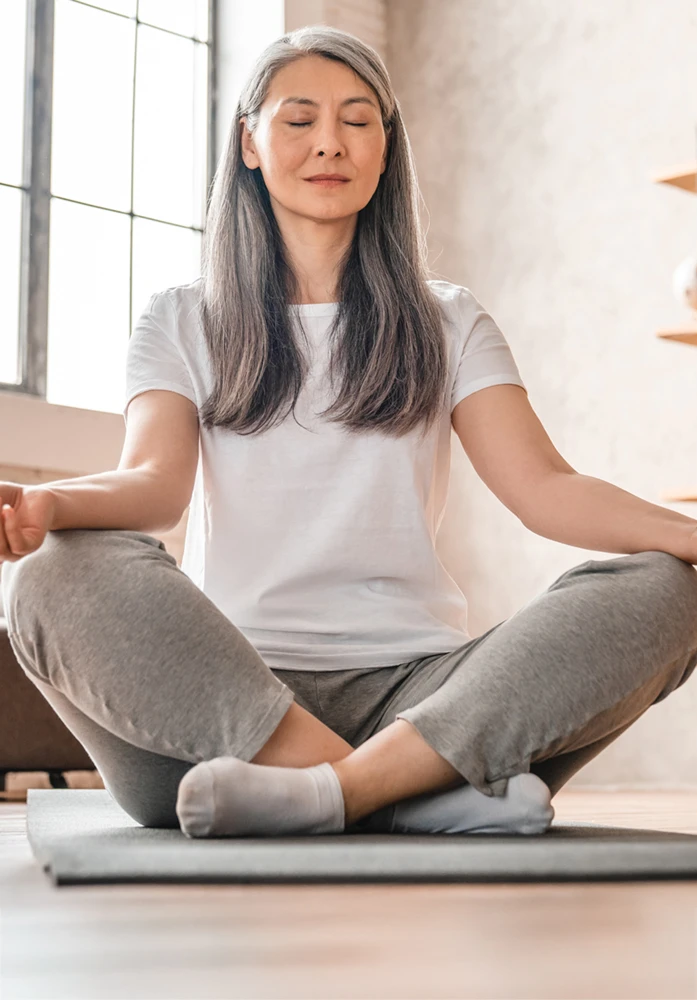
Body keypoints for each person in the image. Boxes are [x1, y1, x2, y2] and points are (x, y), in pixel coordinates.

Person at [3, 26, 697, 840]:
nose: (329, 142)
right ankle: (400, 795)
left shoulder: (449, 321)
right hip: (218, 705)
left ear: (385, 146)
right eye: (298, 120)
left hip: (425, 701)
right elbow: (152, 489)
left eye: (357, 119)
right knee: (55, 573)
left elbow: (545, 489)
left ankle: (343, 789)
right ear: (250, 143)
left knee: (668, 586)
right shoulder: (181, 317)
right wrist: (49, 506)